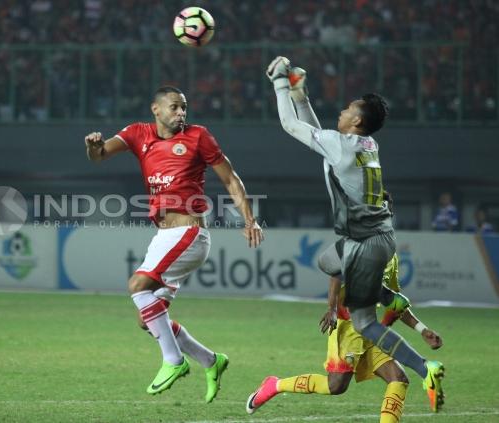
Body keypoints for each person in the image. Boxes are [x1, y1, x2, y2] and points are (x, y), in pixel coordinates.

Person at [266, 57, 445, 411]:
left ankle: (426, 368)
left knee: (363, 322)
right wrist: (301, 95)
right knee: (327, 261)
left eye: (348, 109)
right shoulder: (366, 146)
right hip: (376, 237)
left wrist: (278, 82)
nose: (342, 111)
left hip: (364, 244)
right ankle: (381, 293)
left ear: (357, 121)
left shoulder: (342, 145)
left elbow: (290, 126)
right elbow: (318, 137)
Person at [84, 86, 264, 402]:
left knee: (137, 284)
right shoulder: (137, 134)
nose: (181, 113)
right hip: (164, 236)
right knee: (148, 319)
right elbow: (98, 157)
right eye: (174, 107)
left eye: (184, 108)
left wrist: (249, 219)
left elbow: (230, 179)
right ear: (156, 109)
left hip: (190, 232)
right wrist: (92, 146)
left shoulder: (198, 136)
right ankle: (211, 359)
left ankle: (174, 361)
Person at [247, 238, 444, 422]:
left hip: (372, 329)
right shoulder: (360, 245)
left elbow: (395, 301)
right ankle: (275, 386)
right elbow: (335, 273)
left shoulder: (391, 258)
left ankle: (274, 385)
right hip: (347, 328)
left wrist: (422, 329)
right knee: (335, 386)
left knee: (398, 378)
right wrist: (331, 309)